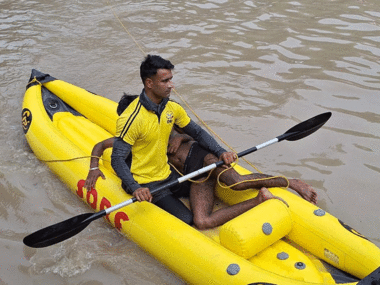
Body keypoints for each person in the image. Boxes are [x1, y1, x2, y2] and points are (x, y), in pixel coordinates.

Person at [87, 105, 317, 230]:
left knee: (235, 182)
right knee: (202, 222)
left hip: (203, 160)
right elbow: (100, 145)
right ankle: (259, 200)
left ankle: (291, 182)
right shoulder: (128, 137)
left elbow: (193, 131)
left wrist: (181, 138)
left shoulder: (162, 122)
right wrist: (94, 168)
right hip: (194, 176)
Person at [111, 55, 237, 225]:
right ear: (149, 83)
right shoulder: (131, 118)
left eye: (171, 79)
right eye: (165, 81)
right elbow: (117, 158)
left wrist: (220, 151)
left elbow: (198, 133)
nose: (171, 85)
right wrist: (135, 188)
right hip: (147, 183)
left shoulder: (171, 108)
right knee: (187, 219)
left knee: (203, 176)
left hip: (167, 174)